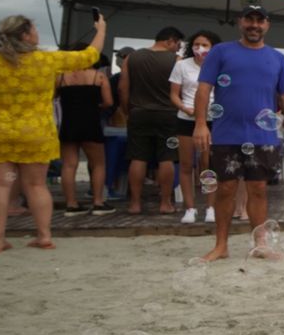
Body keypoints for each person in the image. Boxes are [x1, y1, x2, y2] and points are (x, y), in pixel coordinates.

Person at [0, 13, 108, 252]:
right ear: (25, 35)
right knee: (36, 185)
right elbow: (89, 56)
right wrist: (101, 29)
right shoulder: (46, 60)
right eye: (34, 29)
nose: (37, 33)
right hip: (36, 131)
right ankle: (44, 236)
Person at [192, 4, 284, 262]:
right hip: (226, 132)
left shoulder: (277, 57)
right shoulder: (221, 52)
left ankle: (260, 243)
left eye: (259, 21)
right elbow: (204, 89)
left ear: (267, 25)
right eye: (249, 20)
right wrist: (200, 124)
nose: (254, 25)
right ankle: (221, 245)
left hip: (263, 135)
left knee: (259, 188)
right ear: (240, 22)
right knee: (226, 189)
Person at [118, 26, 184, 215]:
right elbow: (182, 91)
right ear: (170, 40)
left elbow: (123, 88)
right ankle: (165, 203)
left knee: (138, 158)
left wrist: (127, 111)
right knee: (167, 158)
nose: (178, 49)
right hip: (169, 115)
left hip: (139, 113)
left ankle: (135, 204)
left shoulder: (132, 58)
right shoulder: (177, 61)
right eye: (177, 44)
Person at [56, 42, 115, 216]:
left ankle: (71, 204)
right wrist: (97, 105)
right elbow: (109, 102)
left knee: (68, 165)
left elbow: (52, 98)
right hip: (90, 122)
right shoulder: (99, 77)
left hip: (68, 123)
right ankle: (98, 202)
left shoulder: (60, 77)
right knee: (98, 164)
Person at [170, 30, 220, 224]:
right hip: (186, 118)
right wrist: (184, 107)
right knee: (186, 164)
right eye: (197, 44)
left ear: (213, 47)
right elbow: (174, 94)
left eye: (205, 45)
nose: (200, 48)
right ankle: (190, 208)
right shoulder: (181, 65)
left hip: (211, 119)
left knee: (208, 165)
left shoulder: (219, 66)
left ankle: (210, 207)